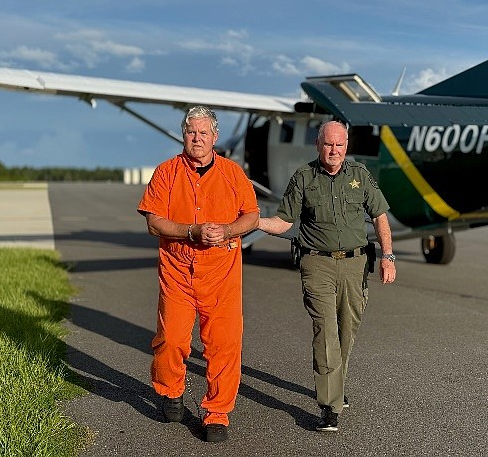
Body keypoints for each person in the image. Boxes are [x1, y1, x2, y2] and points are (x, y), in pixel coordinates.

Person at [258, 120, 396, 432]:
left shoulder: (359, 175)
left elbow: (379, 216)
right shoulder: (304, 177)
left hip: (355, 265)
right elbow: (283, 222)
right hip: (316, 265)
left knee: (347, 331)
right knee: (326, 331)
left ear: (346, 147)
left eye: (340, 145)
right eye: (328, 144)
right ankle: (330, 406)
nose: (334, 151)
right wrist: (252, 221)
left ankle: (336, 385)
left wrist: (388, 256)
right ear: (318, 145)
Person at [137, 105, 259, 443]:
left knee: (224, 345)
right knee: (171, 340)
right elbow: (153, 222)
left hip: (222, 275)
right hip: (177, 273)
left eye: (203, 133)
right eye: (192, 132)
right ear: (183, 135)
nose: (197, 138)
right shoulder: (166, 173)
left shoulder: (233, 174)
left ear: (215, 137)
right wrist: (192, 231)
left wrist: (230, 230)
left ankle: (216, 413)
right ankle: (171, 390)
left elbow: (251, 216)